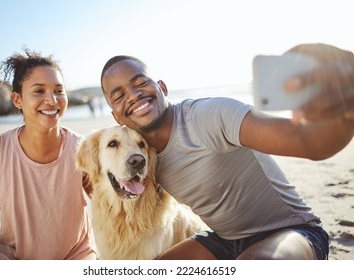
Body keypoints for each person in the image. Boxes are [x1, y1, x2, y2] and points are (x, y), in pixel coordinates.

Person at [99, 43, 354, 260]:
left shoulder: (211, 115)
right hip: (224, 239)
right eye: (118, 95)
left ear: (163, 87)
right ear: (115, 114)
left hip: (294, 232)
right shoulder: (143, 154)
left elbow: (311, 142)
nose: (133, 95)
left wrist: (345, 105)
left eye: (141, 82)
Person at [0, 49, 96, 260]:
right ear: (17, 99)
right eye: (39, 91)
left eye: (59, 91)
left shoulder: (82, 150)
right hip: (11, 255)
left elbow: (103, 199)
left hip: (74, 254)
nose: (52, 100)